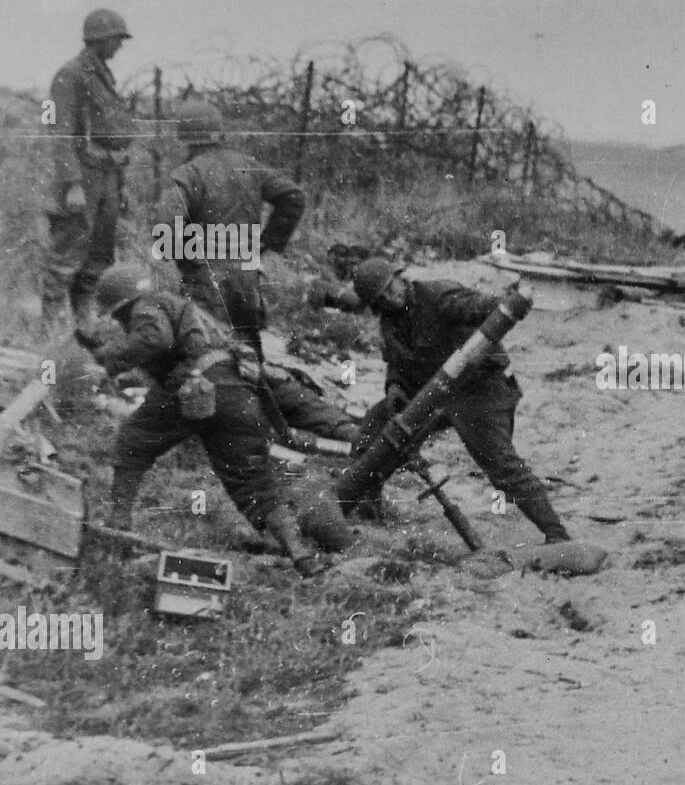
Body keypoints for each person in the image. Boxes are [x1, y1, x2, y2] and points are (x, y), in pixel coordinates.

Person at [74, 265, 323, 576]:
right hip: (235, 391)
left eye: (119, 315)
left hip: (192, 386)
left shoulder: (147, 306)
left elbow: (155, 339)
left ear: (123, 304)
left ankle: (119, 522)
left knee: (132, 442)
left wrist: (108, 363)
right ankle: (301, 555)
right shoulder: (176, 306)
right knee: (253, 483)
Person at [348, 259, 570, 542]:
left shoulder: (438, 295)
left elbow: (475, 307)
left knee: (500, 464)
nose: (391, 297)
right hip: (432, 393)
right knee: (375, 427)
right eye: (382, 298)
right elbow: (395, 363)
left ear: (399, 278)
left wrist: (507, 304)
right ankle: (365, 504)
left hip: (480, 388)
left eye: (390, 288)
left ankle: (556, 534)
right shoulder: (389, 323)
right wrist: (393, 386)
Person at [157, 101, 306, 359]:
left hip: (205, 279)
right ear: (220, 133)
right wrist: (267, 243)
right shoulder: (248, 164)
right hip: (246, 277)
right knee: (250, 353)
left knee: (207, 357)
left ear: (184, 138)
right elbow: (294, 197)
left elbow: (168, 227)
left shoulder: (187, 173)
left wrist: (183, 258)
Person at [44, 9, 136, 328]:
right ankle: (51, 333)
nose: (120, 45)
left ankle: (84, 327)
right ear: (99, 39)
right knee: (67, 258)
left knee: (98, 258)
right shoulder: (70, 74)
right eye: (116, 39)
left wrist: (119, 187)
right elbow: (60, 130)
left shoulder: (103, 75)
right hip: (82, 178)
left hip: (107, 175)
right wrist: (71, 184)